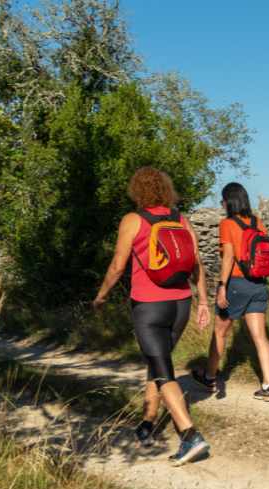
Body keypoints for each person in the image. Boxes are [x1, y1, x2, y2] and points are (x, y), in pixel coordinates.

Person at [92, 166, 212, 466]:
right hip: (181, 303)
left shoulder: (133, 220)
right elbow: (197, 264)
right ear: (166, 189)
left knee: (162, 370)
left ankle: (189, 435)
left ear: (136, 190)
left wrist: (102, 295)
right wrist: (203, 302)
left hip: (149, 305)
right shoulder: (181, 219)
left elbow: (118, 265)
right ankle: (148, 420)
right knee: (157, 359)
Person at [192, 182, 269, 401]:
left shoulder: (227, 224)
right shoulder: (258, 222)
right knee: (260, 336)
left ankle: (210, 377)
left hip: (237, 284)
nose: (221, 204)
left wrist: (221, 287)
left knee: (220, 331)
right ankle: (268, 386)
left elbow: (228, 257)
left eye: (222, 200)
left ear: (228, 201)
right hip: (259, 283)